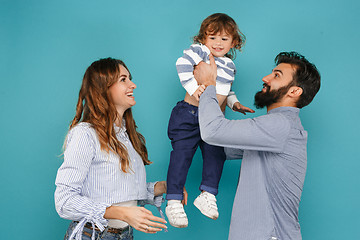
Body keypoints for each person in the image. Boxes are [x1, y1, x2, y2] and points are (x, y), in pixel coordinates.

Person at [195, 52, 321, 240]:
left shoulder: (280, 125)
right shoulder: (273, 129)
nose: (265, 78)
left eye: (277, 75)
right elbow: (218, 145)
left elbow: (212, 131)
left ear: (294, 91)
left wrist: (210, 85)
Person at [55, 58, 168, 240]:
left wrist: (162, 187)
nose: (133, 85)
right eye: (123, 80)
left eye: (129, 78)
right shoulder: (85, 134)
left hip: (124, 235)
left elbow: (119, 193)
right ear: (104, 88)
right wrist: (122, 214)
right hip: (92, 235)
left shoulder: (126, 136)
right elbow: (64, 201)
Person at [165, 13, 254, 228]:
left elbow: (225, 89)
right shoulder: (200, 52)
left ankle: (207, 194)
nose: (217, 43)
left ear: (234, 42)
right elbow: (181, 64)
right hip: (190, 114)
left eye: (224, 39)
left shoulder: (229, 65)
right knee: (181, 157)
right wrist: (193, 88)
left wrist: (234, 104)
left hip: (214, 120)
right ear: (203, 39)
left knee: (216, 155)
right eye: (212, 37)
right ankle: (174, 200)